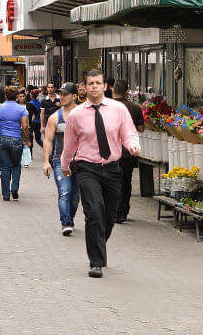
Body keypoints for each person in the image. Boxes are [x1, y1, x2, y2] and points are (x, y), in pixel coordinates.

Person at [61, 69, 140, 278]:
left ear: (105, 86)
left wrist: (133, 145)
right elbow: (69, 144)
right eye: (90, 83)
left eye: (98, 83)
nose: (94, 86)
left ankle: (98, 241)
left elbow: (129, 133)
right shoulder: (76, 115)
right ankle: (95, 262)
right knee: (94, 211)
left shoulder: (118, 109)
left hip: (113, 167)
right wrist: (65, 164)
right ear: (85, 88)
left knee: (109, 214)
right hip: (87, 167)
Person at [42, 82, 81, 235]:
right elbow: (48, 140)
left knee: (75, 196)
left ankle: (69, 218)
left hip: (80, 161)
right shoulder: (54, 118)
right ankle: (66, 223)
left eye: (65, 94)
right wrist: (46, 161)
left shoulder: (83, 115)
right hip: (60, 160)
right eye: (61, 94)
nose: (62, 97)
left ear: (74, 96)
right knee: (64, 192)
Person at [112, 79, 145, 224]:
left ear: (113, 91)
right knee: (126, 181)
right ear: (126, 92)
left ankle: (113, 210)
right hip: (128, 151)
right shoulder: (135, 108)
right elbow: (141, 128)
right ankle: (122, 211)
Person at [0, 86, 29, 202]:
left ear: (5, 96)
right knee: (16, 164)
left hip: (1, 140)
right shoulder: (22, 109)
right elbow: (24, 126)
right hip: (16, 140)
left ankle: (5, 195)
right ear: (17, 97)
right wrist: (27, 139)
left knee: (5, 166)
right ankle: (14, 188)